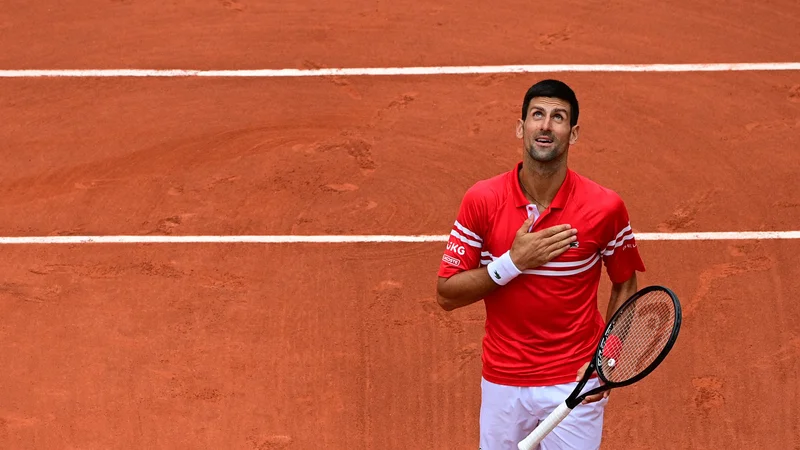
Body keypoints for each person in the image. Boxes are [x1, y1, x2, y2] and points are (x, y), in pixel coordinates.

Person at [435, 79, 646, 450]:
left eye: (558, 117)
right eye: (537, 115)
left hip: (574, 380)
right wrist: (512, 263)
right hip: (503, 380)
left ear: (573, 133)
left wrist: (606, 360)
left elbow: (625, 283)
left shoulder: (605, 207)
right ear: (521, 127)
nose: (546, 125)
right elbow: (447, 294)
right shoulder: (482, 200)